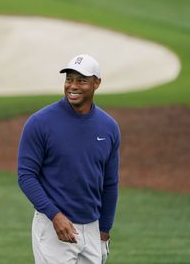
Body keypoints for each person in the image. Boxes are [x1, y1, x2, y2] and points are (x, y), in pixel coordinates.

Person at [18, 54, 120, 264]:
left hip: (93, 228)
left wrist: (104, 230)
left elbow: (110, 183)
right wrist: (54, 215)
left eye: (81, 80)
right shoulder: (40, 123)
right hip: (53, 226)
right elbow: (26, 176)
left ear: (96, 83)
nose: (73, 86)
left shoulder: (109, 127)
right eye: (69, 79)